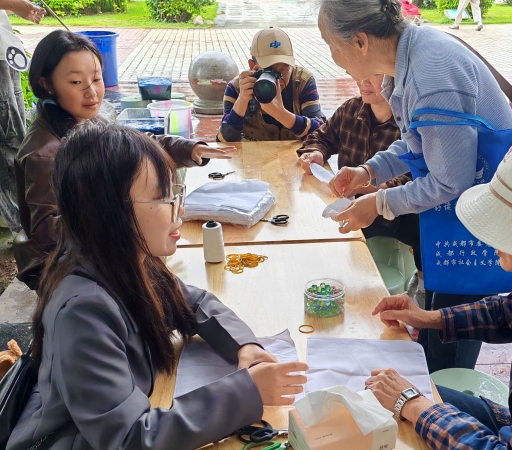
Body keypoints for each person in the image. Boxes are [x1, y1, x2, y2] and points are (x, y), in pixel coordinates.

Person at [7, 121, 309, 450]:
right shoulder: (82, 311)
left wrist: (243, 346)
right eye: (162, 197)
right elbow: (129, 438)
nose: (178, 210)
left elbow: (191, 302)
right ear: (111, 214)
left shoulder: (125, 262)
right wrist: (246, 391)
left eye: (174, 194)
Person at [317, 0, 512, 372]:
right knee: (434, 334)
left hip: (478, 224)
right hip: (460, 217)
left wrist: (377, 204)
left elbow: (448, 180)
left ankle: (445, 409)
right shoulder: (407, 59)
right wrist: (369, 171)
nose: (335, 59)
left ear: (360, 41)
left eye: (332, 45)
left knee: (447, 359)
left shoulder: (431, 73)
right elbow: (418, 142)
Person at [366, 133, 512, 449]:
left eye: (501, 222)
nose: (487, 236)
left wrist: (414, 403)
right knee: (373, 392)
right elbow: (507, 312)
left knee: (400, 409)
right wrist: (426, 317)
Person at [13, 30, 235, 290]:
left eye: (96, 79)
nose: (92, 92)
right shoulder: (45, 152)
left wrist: (189, 149)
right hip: (67, 268)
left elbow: (133, 144)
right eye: (76, 83)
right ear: (47, 84)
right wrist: (119, 217)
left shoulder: (90, 120)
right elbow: (46, 234)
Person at [296, 75, 419, 263]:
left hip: (395, 217)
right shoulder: (351, 109)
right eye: (360, 74)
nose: (363, 81)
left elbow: (414, 179)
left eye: (374, 74)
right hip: (347, 208)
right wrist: (316, 154)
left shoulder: (410, 123)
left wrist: (366, 186)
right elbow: (321, 138)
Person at [217, 27, 326, 142]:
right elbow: (223, 141)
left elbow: (323, 133)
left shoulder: (302, 82)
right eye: (269, 70)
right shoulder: (238, 87)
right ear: (253, 65)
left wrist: (280, 113)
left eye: (284, 68)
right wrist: (242, 100)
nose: (277, 77)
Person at [0, 0, 44, 231]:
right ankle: (28, 232)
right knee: (9, 146)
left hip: (4, 53)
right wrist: (14, 4)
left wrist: (15, 7)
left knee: (19, 141)